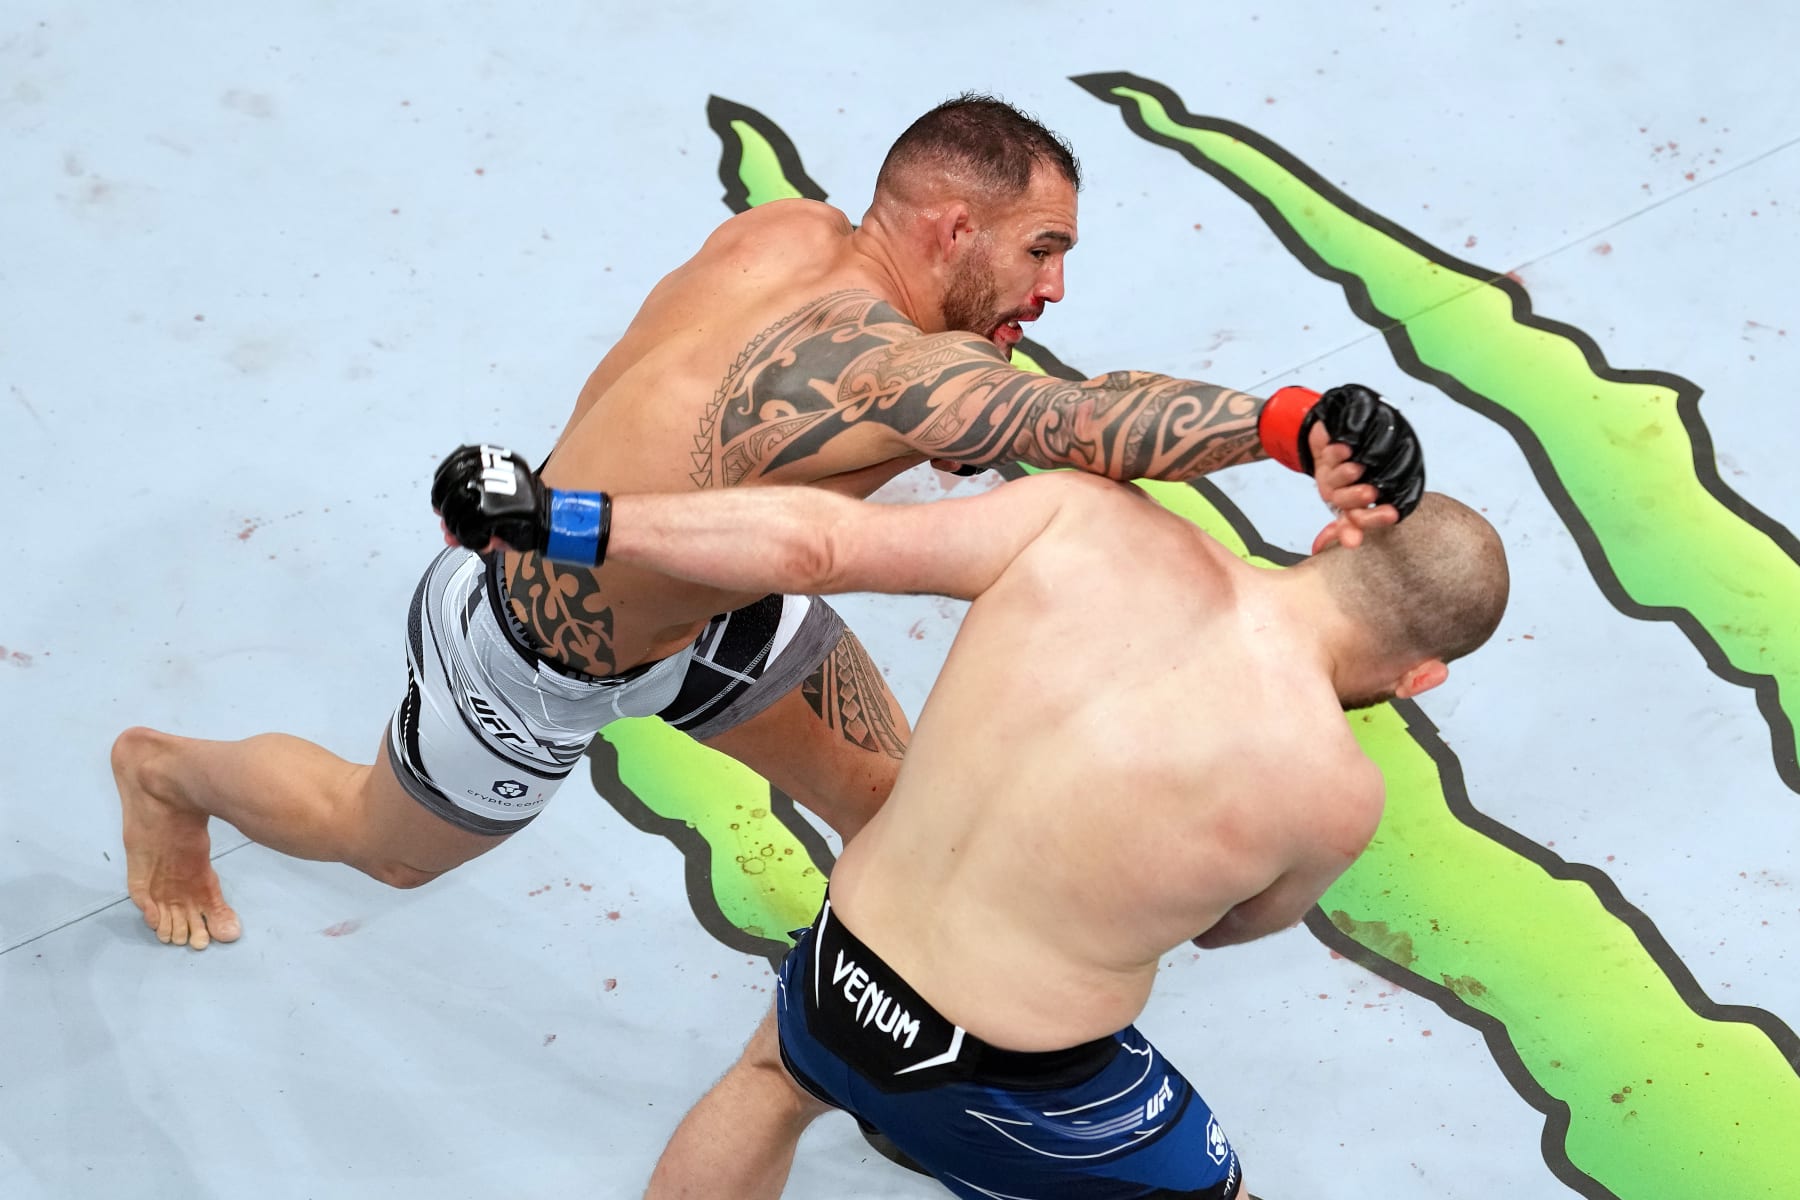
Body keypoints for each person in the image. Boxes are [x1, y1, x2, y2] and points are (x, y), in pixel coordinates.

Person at [111, 93, 1424, 949]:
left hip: (722, 597)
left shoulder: (792, 228)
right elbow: (1060, 423)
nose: (1057, 285)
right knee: (378, 844)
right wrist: (1285, 422)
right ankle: (166, 775)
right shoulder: (887, 372)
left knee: (898, 814)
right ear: (955, 226)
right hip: (535, 647)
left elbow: (905, 414)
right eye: (1041, 250)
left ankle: (857, 1050)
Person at [432, 453, 1507, 1199]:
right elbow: (1227, 929)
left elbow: (816, 545)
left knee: (771, 1081)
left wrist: (560, 514)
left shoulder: (1087, 518)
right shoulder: (1333, 794)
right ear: (1423, 678)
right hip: (1010, 1082)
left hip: (839, 970)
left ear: (1334, 533)